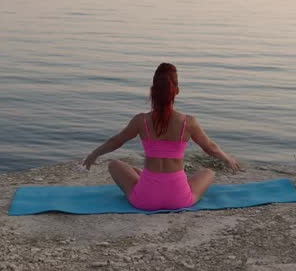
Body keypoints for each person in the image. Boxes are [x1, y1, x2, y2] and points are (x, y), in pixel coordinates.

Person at [82, 63, 241, 210]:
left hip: (145, 199)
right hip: (178, 199)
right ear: (177, 90)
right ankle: (166, 181)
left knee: (114, 164)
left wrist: (94, 154)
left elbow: (117, 140)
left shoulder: (141, 121)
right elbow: (210, 147)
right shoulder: (188, 122)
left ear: (152, 91)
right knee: (209, 172)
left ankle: (149, 178)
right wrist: (228, 159)